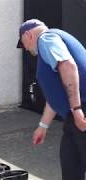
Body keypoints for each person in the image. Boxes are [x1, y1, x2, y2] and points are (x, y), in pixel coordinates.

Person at [17, 19, 86, 180]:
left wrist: (76, 109)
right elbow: (55, 94)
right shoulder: (50, 42)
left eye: (23, 44)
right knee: (70, 165)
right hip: (72, 118)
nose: (25, 49)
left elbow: (68, 66)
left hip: (80, 110)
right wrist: (43, 126)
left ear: (28, 35)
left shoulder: (46, 39)